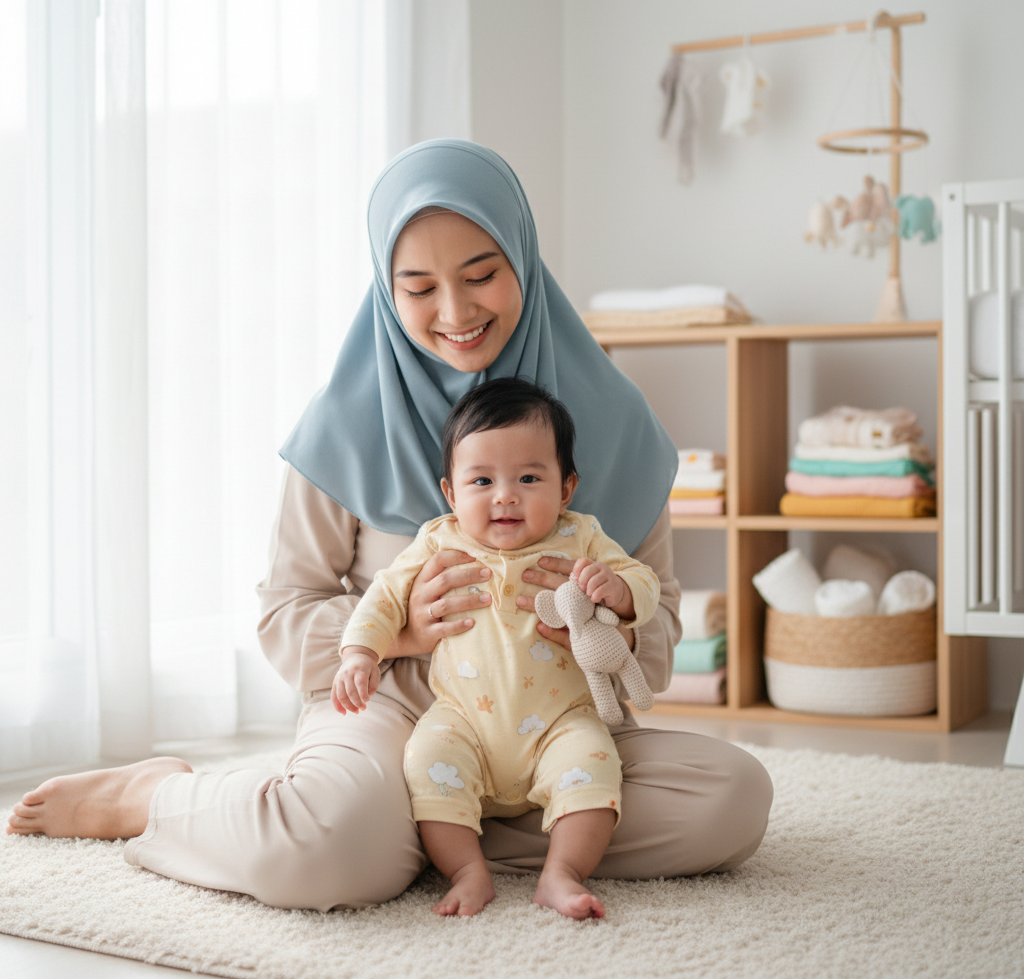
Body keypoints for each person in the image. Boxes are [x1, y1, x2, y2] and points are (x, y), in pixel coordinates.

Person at [6, 139, 773, 912]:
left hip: (559, 715)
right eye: (418, 288)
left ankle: (415, 833)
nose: (456, 312)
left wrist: (609, 623)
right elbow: (283, 613)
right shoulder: (346, 423)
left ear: (525, 262)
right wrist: (401, 631)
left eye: (482, 275)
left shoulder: (615, 423)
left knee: (732, 798)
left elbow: (663, 627)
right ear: (386, 289)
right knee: (316, 853)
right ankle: (161, 799)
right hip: (398, 708)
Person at [336, 377, 661, 919]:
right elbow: (384, 595)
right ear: (451, 493)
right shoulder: (440, 539)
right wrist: (361, 652)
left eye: (529, 477)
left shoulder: (580, 536)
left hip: (562, 718)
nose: (505, 494)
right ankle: (468, 869)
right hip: (463, 717)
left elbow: (641, 578)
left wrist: (622, 592)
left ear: (565, 489)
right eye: (482, 480)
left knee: (597, 765)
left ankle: (562, 872)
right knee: (426, 759)